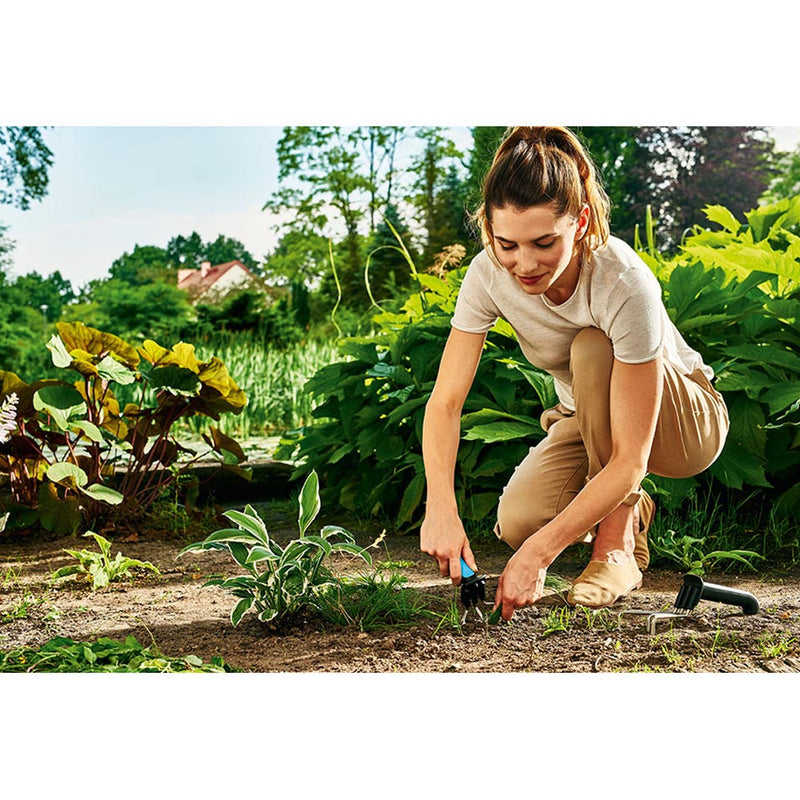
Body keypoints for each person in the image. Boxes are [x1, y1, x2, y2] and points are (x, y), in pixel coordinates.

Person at [419, 126, 729, 621]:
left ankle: (615, 547)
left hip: (685, 421)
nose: (524, 263)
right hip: (585, 413)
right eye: (507, 244)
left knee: (590, 346)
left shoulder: (621, 280)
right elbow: (446, 402)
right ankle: (632, 516)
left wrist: (541, 558)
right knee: (520, 522)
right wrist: (441, 507)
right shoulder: (486, 275)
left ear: (581, 222)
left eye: (543, 242)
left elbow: (630, 458)